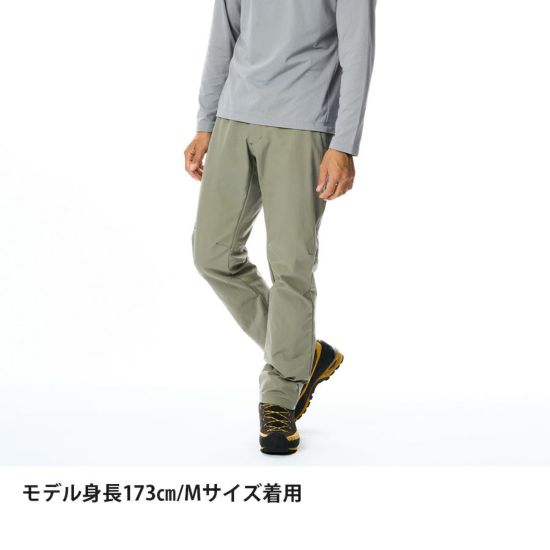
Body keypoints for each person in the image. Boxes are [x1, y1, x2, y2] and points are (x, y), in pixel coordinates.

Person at [184, 0, 376, 455]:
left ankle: (280, 395)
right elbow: (223, 37)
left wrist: (344, 144)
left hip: (303, 122)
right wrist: (206, 122)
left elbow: (358, 51)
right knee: (212, 254)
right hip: (233, 118)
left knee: (291, 264)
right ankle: (302, 353)